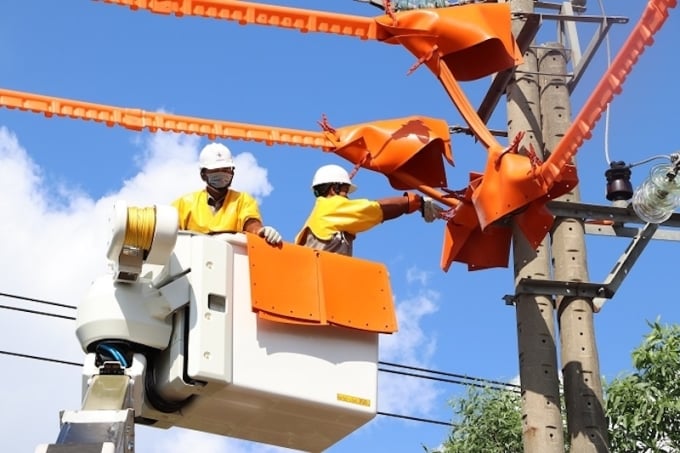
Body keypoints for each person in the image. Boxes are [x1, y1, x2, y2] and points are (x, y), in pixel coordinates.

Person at [295, 164, 442, 256]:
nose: (348, 200)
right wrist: (415, 202)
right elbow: (374, 209)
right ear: (334, 189)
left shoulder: (313, 220)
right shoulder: (331, 207)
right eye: (345, 193)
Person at [172, 142, 282, 245]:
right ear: (203, 174)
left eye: (226, 170)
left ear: (232, 172)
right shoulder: (184, 204)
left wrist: (261, 231)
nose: (222, 174)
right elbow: (167, 231)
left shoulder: (243, 200)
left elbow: (251, 224)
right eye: (216, 170)